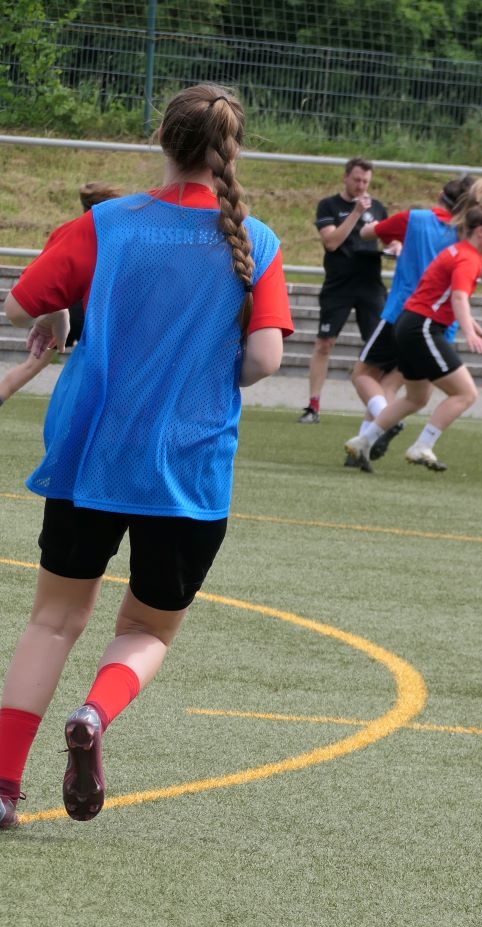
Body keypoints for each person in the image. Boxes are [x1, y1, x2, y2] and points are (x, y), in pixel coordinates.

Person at [0, 84, 291, 831]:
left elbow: (20, 305)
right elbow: (264, 360)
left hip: (91, 456)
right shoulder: (256, 241)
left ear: (160, 138)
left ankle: (2, 785)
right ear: (233, 150)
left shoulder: (105, 223)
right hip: (189, 468)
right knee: (148, 630)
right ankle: (95, 715)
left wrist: (62, 317)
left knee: (53, 622)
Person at [345, 174, 482, 468]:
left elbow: (447, 294)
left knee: (416, 398)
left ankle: (362, 442)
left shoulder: (462, 252)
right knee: (465, 393)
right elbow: (457, 298)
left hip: (411, 322)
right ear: (480, 230)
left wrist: (481, 327)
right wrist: (472, 332)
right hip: (422, 327)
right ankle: (422, 446)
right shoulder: (466, 256)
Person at [0, 182, 124, 402]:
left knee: (29, 367)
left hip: (69, 306)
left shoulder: (72, 231)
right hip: (98, 310)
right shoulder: (125, 232)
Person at [302, 158, 389, 423]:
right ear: (346, 177)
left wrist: (394, 246)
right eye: (357, 180)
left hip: (370, 285)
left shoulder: (378, 208)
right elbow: (331, 242)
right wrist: (355, 213)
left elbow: (389, 239)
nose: (361, 186)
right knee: (325, 343)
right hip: (339, 285)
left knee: (378, 347)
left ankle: (379, 408)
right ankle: (313, 406)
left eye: (366, 181)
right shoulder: (329, 205)